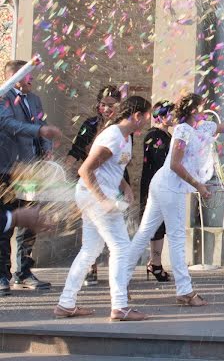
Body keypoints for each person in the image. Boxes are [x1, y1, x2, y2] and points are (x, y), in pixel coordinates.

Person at [127, 92, 224, 306]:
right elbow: (175, 164)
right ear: (194, 110)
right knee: (174, 238)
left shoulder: (202, 128)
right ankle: (184, 291)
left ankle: (120, 282)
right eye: (201, 107)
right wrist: (199, 185)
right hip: (168, 186)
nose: (205, 110)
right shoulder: (183, 130)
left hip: (165, 185)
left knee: (145, 233)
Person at [54, 96, 152, 321]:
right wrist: (103, 200)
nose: (147, 121)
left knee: (90, 250)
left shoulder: (125, 138)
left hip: (97, 195)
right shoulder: (113, 137)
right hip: (94, 196)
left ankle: (66, 303)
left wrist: (125, 186)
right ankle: (120, 306)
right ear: (136, 116)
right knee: (121, 248)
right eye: (146, 116)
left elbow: (112, 167)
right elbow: (85, 170)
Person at [0, 60, 62, 293]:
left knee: (30, 220)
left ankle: (24, 271)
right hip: (6, 169)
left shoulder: (34, 99)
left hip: (31, 171)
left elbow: (42, 123)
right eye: (29, 75)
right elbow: (7, 124)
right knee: (7, 221)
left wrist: (46, 146)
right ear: (16, 76)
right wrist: (39, 131)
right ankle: (2, 274)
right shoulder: (3, 97)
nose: (32, 79)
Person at [65, 85, 121, 286]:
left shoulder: (121, 128)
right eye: (104, 105)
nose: (107, 109)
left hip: (115, 179)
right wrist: (65, 170)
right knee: (91, 224)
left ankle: (118, 270)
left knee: (114, 224)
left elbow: (122, 158)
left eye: (111, 105)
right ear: (98, 105)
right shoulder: (89, 124)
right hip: (92, 179)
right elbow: (77, 149)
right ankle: (91, 267)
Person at [140, 100, 174, 282]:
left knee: (161, 225)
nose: (174, 117)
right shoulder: (154, 135)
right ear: (160, 116)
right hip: (155, 185)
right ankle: (155, 263)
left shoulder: (167, 135)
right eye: (171, 113)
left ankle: (155, 262)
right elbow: (161, 160)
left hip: (165, 185)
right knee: (155, 226)